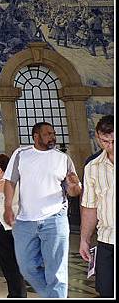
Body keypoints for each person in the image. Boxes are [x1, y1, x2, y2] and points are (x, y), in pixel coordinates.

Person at [3, 122, 82, 298]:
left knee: (57, 271)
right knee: (27, 268)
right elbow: (10, 181)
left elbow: (74, 192)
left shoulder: (63, 158)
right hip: (25, 221)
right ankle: (51, 296)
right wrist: (8, 207)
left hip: (55, 218)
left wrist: (74, 184)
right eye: (47, 134)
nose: (52, 137)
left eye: (53, 133)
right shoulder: (21, 154)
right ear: (36, 136)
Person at [0, 154, 27, 298]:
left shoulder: (3, 182)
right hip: (13, 224)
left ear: (1, 170)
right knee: (13, 260)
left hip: (1, 226)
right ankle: (17, 292)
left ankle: (15, 293)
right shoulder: (16, 179)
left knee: (8, 261)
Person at [80, 115, 114, 297]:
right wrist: (84, 239)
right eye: (106, 141)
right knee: (106, 290)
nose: (111, 146)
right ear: (97, 137)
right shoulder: (92, 167)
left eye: (115, 141)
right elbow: (90, 207)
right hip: (107, 240)